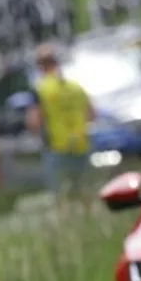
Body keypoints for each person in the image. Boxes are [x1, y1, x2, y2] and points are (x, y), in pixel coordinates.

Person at [26, 43, 93, 204]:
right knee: (84, 191)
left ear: (40, 66)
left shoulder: (42, 89)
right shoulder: (75, 87)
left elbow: (35, 122)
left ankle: (67, 223)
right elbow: (92, 114)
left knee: (61, 196)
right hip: (81, 144)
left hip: (57, 147)